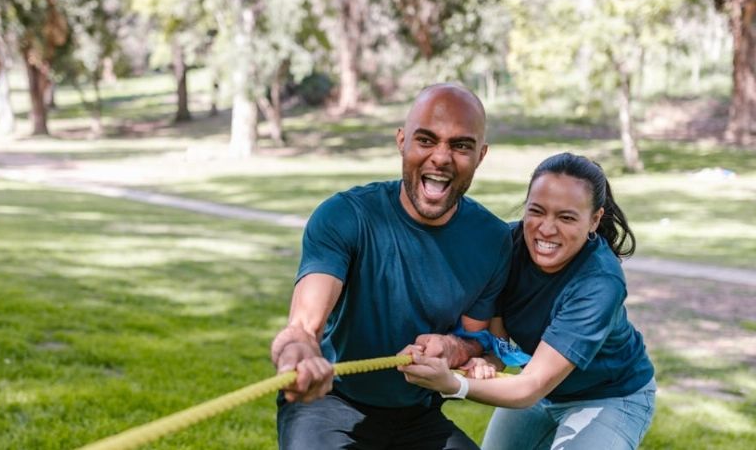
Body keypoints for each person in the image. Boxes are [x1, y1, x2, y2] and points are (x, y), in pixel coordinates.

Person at [270, 83, 513, 449]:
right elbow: (304, 325)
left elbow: (478, 341)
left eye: (461, 145)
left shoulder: (493, 240)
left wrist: (452, 349)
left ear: (481, 155)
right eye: (426, 140)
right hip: (328, 403)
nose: (441, 158)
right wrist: (298, 355)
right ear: (402, 141)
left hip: (416, 416)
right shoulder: (345, 216)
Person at [399, 152, 656, 450]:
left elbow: (530, 386)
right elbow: (500, 346)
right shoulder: (505, 247)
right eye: (536, 211)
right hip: (539, 390)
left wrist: (454, 384)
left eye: (566, 217)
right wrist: (482, 360)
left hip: (609, 395)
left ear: (594, 220)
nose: (546, 229)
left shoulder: (600, 282)